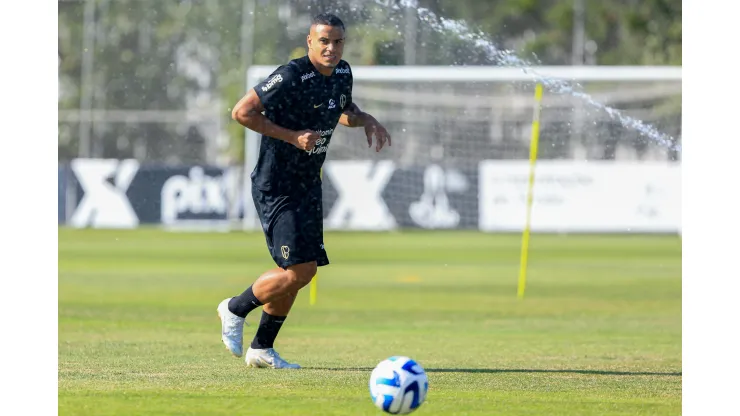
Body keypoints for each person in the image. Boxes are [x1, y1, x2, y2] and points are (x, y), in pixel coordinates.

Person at [218, 13, 392, 369]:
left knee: (298, 271)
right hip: (277, 184)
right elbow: (242, 112)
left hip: (308, 182)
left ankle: (262, 348)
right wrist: (292, 136)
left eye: (337, 41)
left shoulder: (342, 73)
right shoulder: (291, 75)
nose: (331, 48)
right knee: (299, 271)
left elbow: (344, 110)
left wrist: (366, 120)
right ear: (310, 42)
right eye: (323, 41)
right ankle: (234, 308)